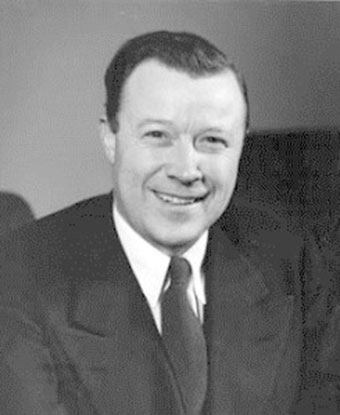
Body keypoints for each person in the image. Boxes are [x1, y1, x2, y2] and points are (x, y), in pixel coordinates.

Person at [0, 30, 337, 415]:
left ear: (241, 146)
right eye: (158, 135)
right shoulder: (20, 272)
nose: (185, 170)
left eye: (212, 140)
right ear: (110, 138)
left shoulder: (293, 261)